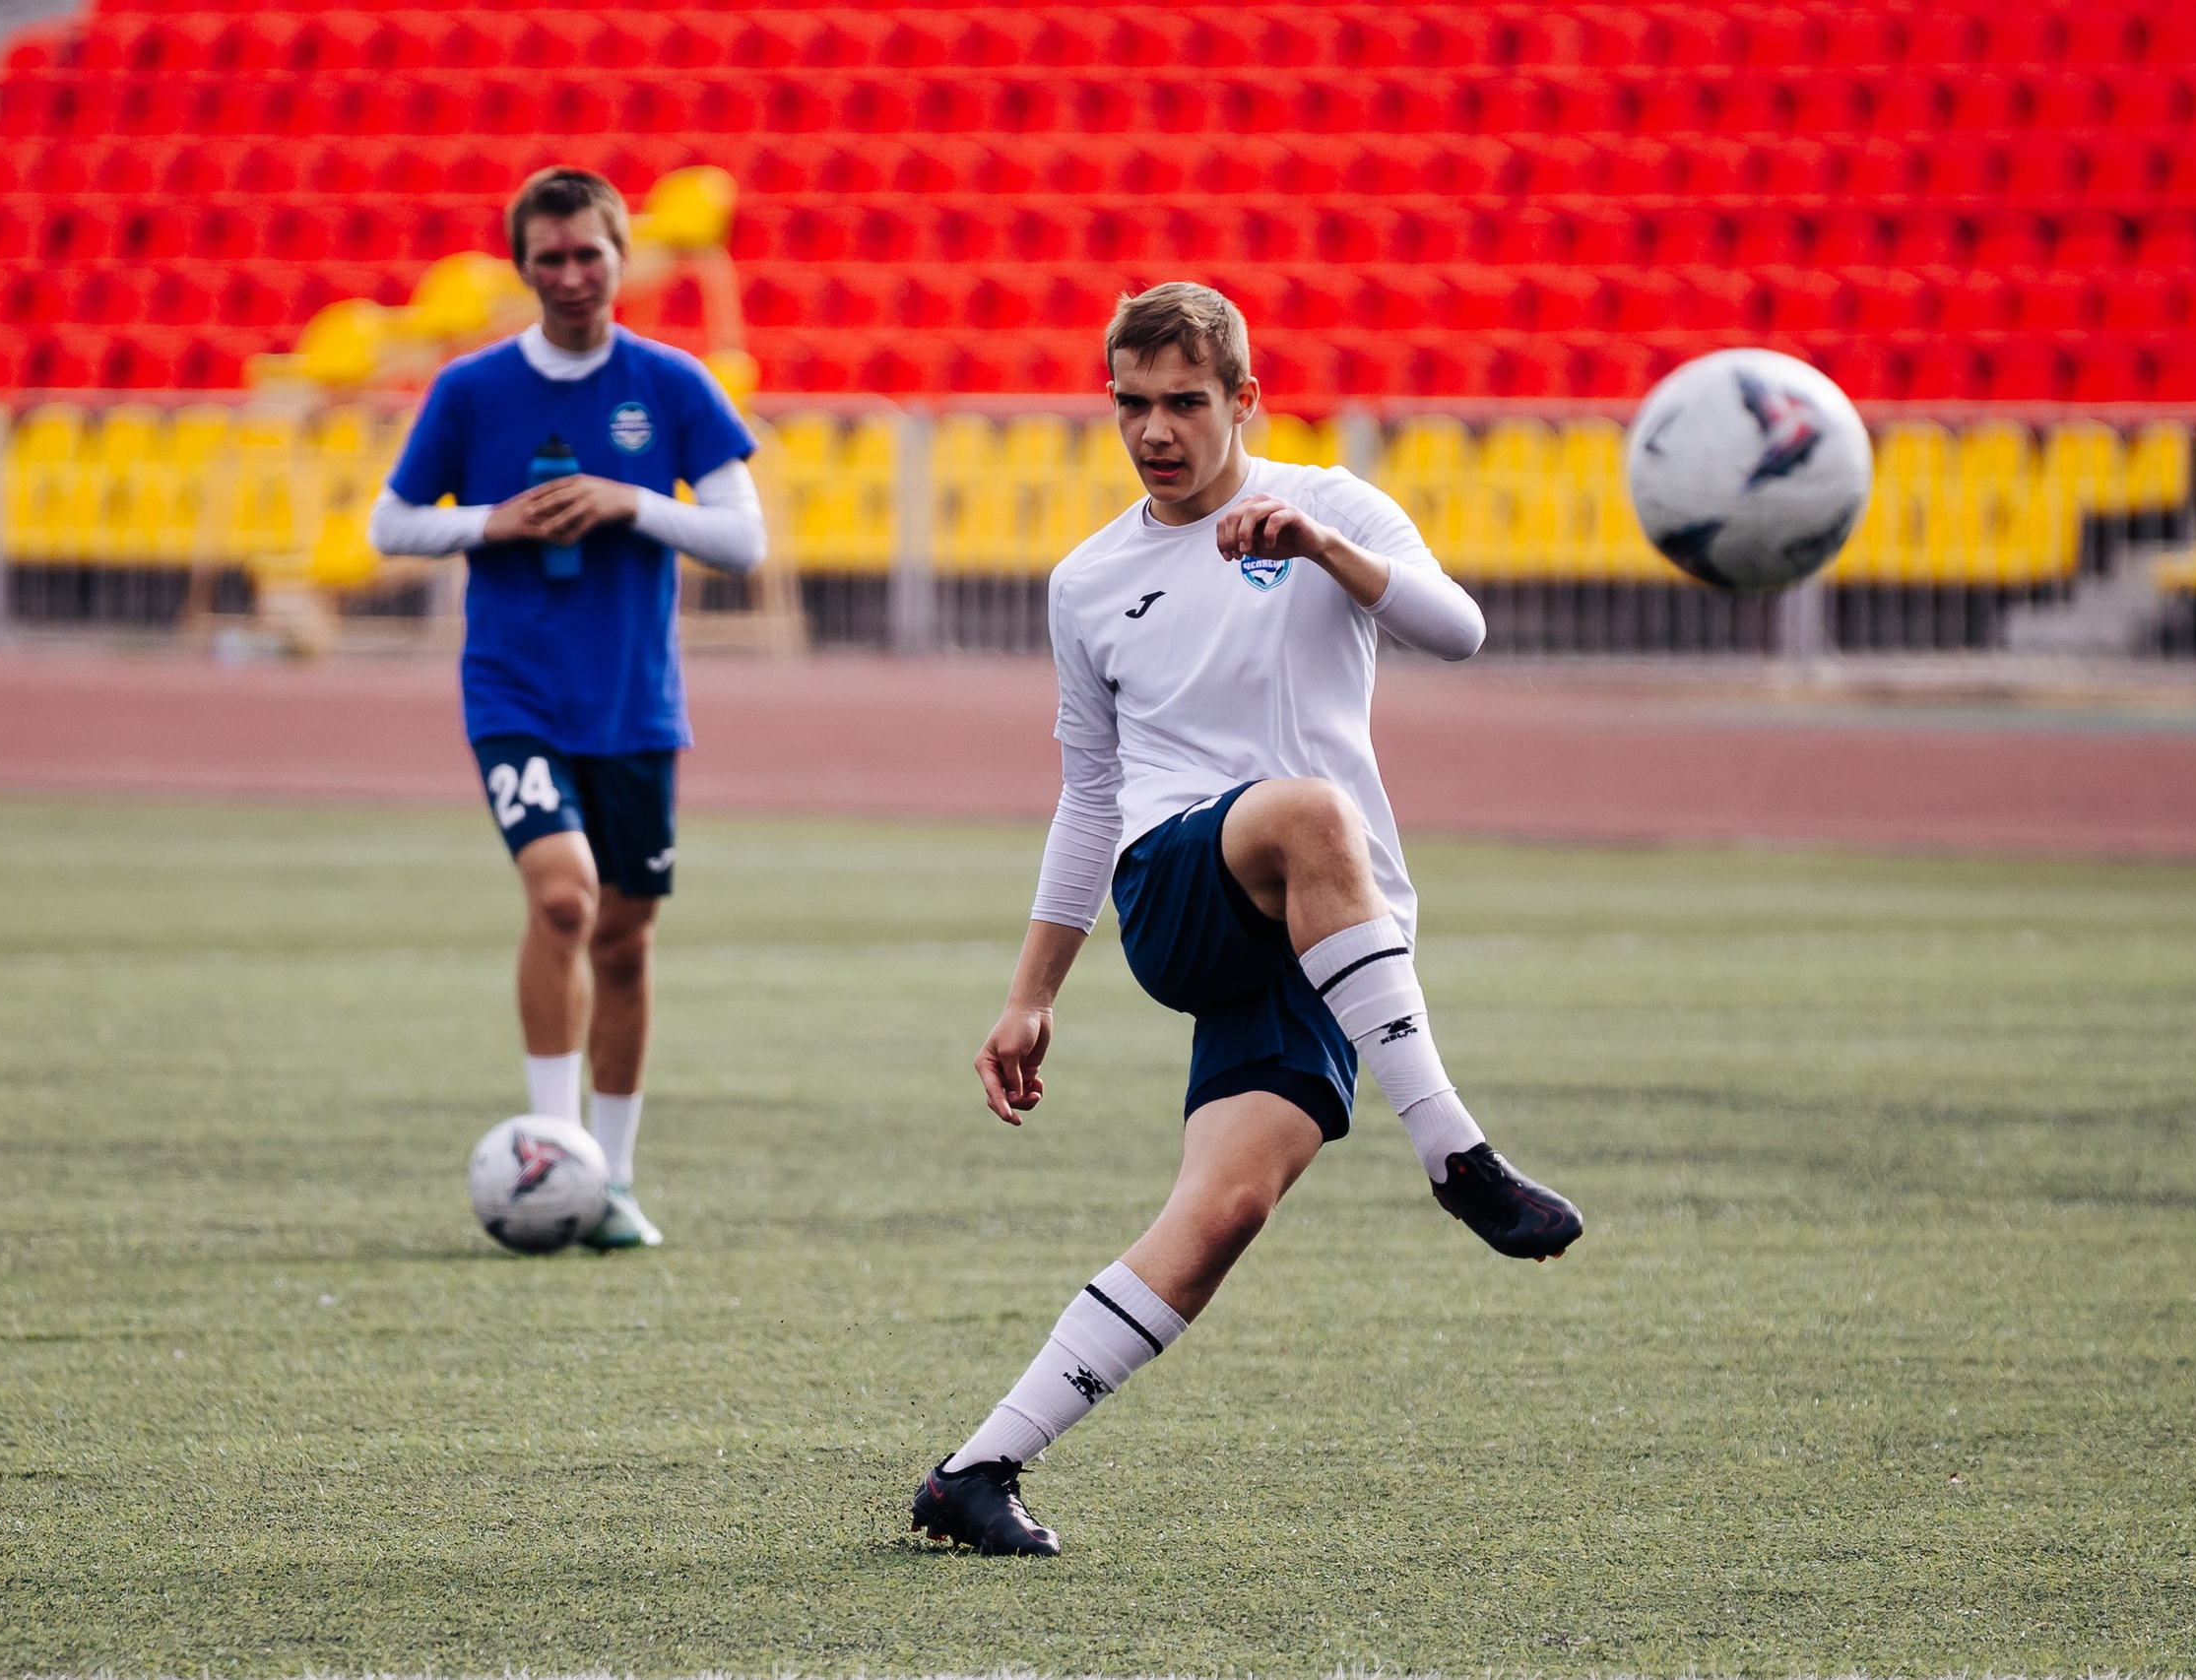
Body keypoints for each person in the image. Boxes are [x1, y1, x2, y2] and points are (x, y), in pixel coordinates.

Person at [910, 284, 1583, 1556]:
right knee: (1315, 810)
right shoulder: (1088, 580)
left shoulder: (1332, 505)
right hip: (1179, 886)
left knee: (1223, 1210)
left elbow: (1459, 631)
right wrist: (1031, 992)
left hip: (1327, 926)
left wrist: (1325, 550)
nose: (1154, 431)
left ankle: (976, 1467)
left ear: (1243, 399)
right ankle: (1455, 1154)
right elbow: (1090, 794)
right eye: (1131, 405)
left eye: (1183, 402)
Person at [368, 166, 765, 1249]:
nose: (572, 273)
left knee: (625, 943)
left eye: (589, 252)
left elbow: (744, 539)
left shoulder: (671, 384)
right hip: (515, 692)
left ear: (620, 257)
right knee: (562, 901)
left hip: (635, 703)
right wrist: (489, 523)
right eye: (550, 257)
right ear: (523, 267)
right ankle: (553, 1152)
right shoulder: (472, 389)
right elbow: (390, 523)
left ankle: (613, 1180)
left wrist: (629, 501)